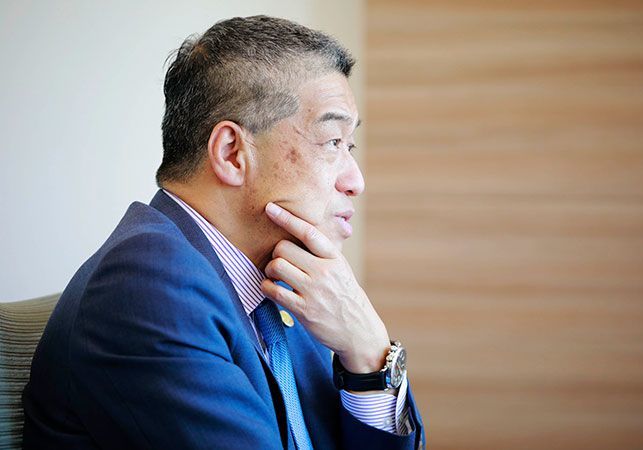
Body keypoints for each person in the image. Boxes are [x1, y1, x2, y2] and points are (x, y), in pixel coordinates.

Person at [22, 15, 425, 450]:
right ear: (232, 153)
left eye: (351, 146)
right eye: (332, 143)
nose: (355, 181)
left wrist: (368, 354)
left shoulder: (286, 283)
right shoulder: (148, 285)